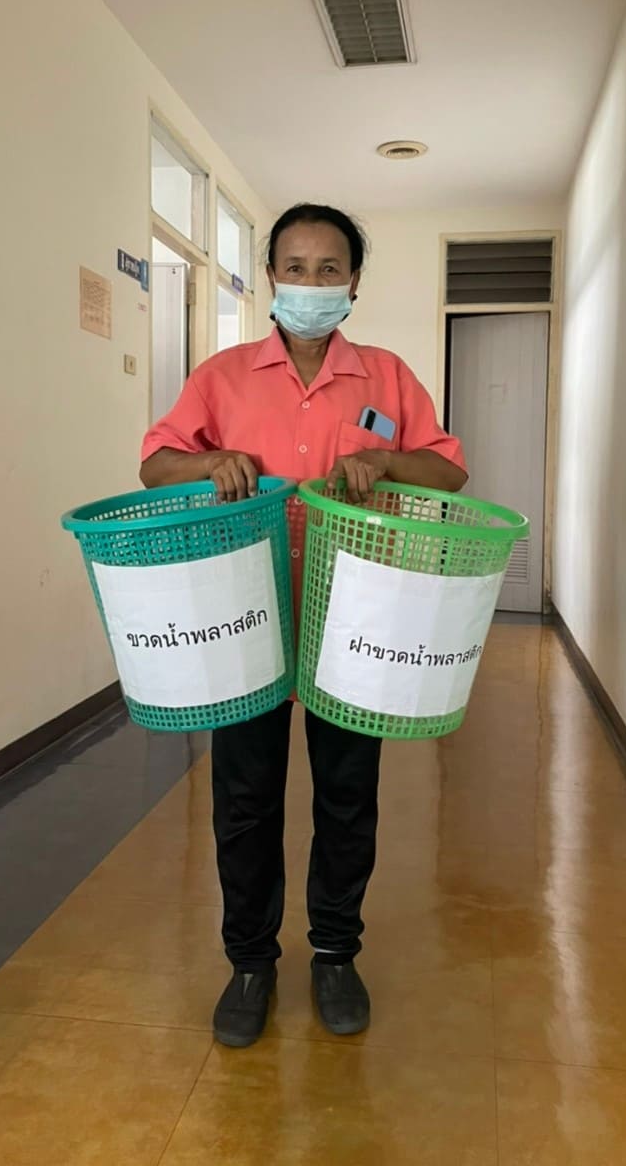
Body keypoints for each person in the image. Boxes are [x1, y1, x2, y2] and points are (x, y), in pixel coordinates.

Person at [140, 203, 467, 1048]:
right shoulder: (223, 376)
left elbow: (448, 470)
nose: (311, 283)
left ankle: (334, 954)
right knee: (244, 799)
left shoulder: (387, 377)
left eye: (329, 269)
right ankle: (250, 961)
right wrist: (209, 460)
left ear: (353, 282)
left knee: (347, 795)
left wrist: (386, 458)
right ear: (270, 278)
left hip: (353, 616)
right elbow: (155, 462)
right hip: (246, 614)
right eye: (295, 267)